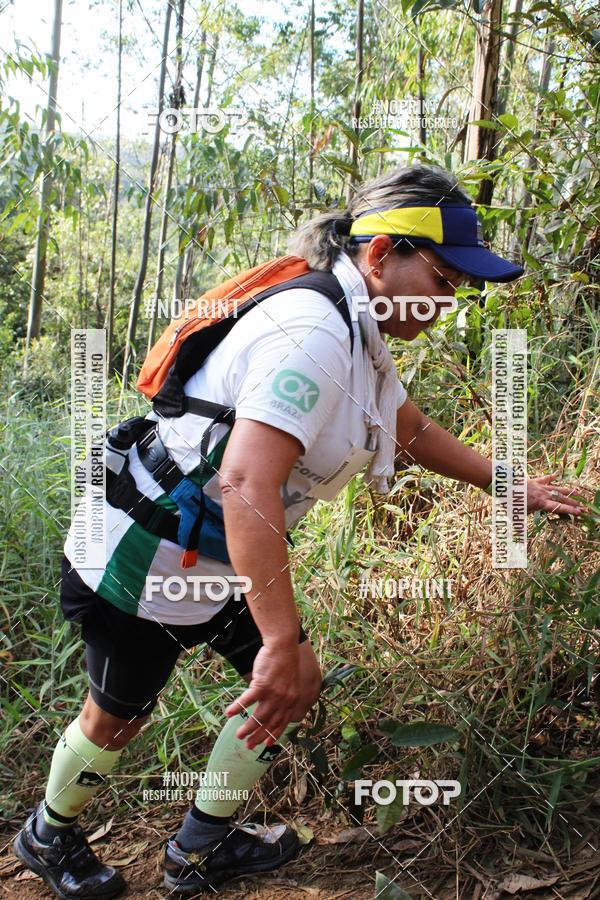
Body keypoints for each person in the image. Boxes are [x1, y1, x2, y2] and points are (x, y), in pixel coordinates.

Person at [13, 164, 583, 898]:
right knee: (119, 715)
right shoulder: (315, 330)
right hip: (144, 550)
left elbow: (408, 429)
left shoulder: (358, 328)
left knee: (292, 685)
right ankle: (48, 833)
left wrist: (510, 483)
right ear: (382, 255)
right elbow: (246, 483)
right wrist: (280, 640)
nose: (447, 303)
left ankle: (199, 847)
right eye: (444, 280)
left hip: (221, 556)